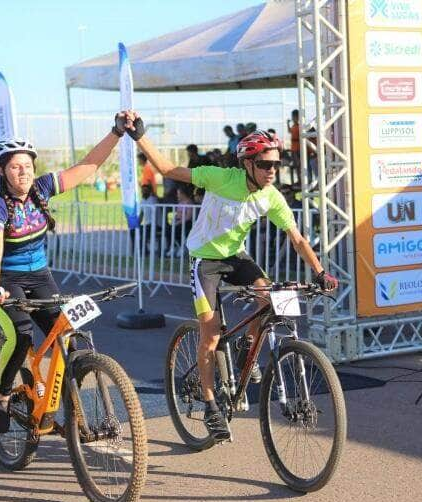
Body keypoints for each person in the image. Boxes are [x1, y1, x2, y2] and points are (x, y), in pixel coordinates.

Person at [123, 110, 338, 441]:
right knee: (210, 334)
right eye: (266, 165)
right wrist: (139, 136)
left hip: (236, 256)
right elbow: (168, 169)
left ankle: (248, 347)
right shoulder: (220, 178)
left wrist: (321, 271)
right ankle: (210, 404)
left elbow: (297, 238)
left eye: (277, 165)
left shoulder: (272, 197)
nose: (272, 171)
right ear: (248, 163)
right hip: (205, 259)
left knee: (268, 295)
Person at [0, 115, 127, 433]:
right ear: (2, 170)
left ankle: (63, 406)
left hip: (40, 276)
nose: (23, 172)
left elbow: (88, 166)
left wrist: (116, 133)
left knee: (71, 338)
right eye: (16, 166)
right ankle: (2, 395)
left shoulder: (42, 189)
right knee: (22, 336)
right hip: (5, 280)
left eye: (27, 165)